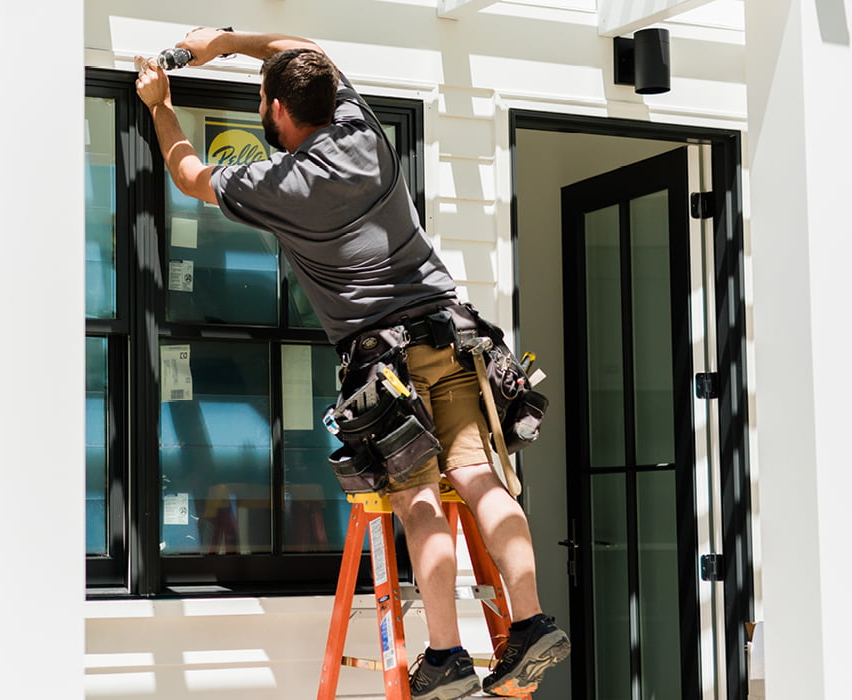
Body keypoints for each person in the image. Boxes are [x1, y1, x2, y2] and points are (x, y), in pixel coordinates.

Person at [135, 29, 570, 700]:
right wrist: (223, 43)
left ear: (277, 110)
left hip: (382, 364)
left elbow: (190, 176)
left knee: (419, 502)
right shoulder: (360, 130)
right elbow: (301, 48)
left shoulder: (279, 182)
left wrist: (161, 104)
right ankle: (531, 621)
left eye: (261, 98)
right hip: (452, 333)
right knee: (481, 479)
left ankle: (448, 657)